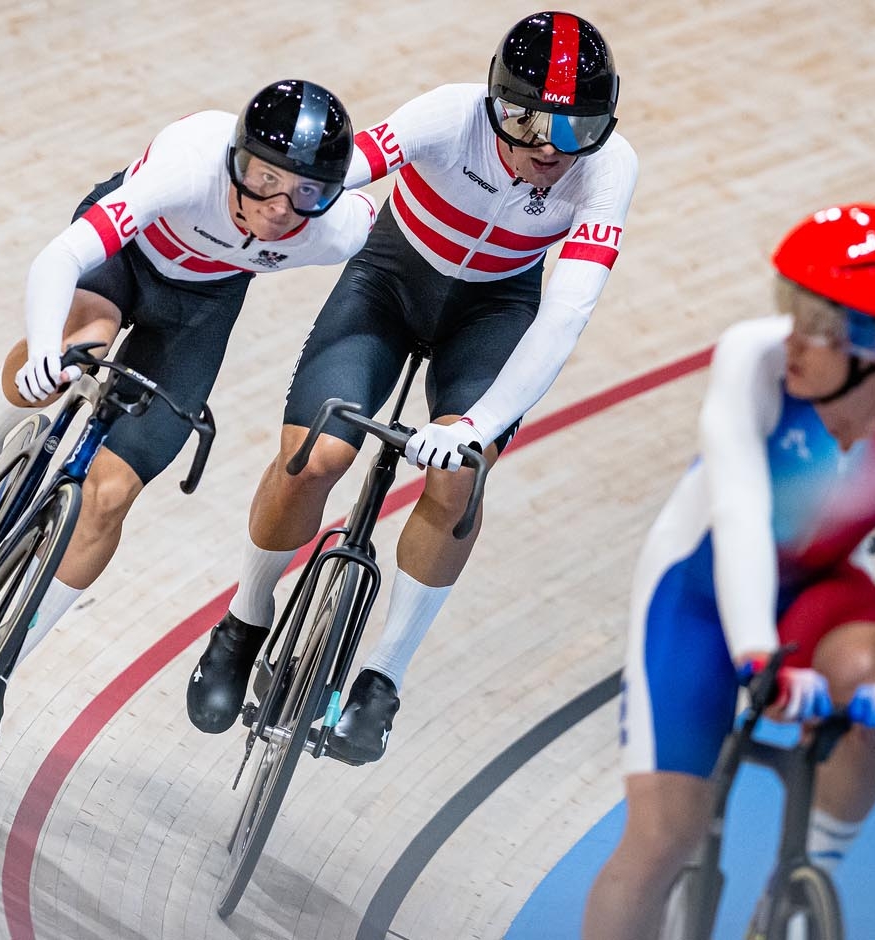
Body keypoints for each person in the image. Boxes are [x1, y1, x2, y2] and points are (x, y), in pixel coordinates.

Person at [184, 11, 638, 765]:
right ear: (495, 104)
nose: (550, 150)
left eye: (576, 130)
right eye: (527, 123)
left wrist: (477, 429)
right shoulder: (445, 115)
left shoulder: (609, 167)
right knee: (318, 459)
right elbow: (332, 172)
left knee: (458, 479)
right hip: (388, 285)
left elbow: (566, 314)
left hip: (493, 313)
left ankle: (382, 678)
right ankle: (244, 617)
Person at [0, 80, 378, 770]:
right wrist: (44, 351)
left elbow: (395, 228)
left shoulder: (337, 228)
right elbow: (60, 258)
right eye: (263, 180)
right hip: (122, 261)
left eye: (303, 193)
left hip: (203, 306)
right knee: (82, 340)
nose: (279, 209)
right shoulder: (188, 166)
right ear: (236, 160)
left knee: (112, 494)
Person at [581, 204, 875, 939]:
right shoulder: (754, 358)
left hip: (821, 590)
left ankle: (802, 884)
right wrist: (757, 655)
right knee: (663, 840)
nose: (793, 341)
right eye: (793, 316)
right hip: (701, 598)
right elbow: (739, 511)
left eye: (819, 330)